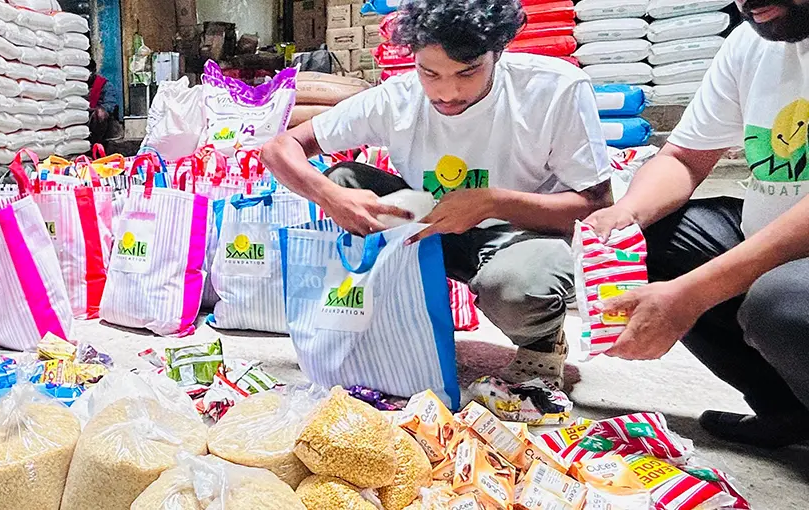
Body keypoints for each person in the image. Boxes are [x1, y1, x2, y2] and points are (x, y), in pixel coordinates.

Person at [260, 0, 612, 386]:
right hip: (430, 228)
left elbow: (596, 204)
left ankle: (542, 343)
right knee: (344, 180)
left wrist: (494, 202)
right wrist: (330, 196)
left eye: (468, 72)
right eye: (430, 73)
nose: (448, 92)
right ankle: (383, 325)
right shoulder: (398, 97)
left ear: (498, 52)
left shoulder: (553, 89)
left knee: (516, 286)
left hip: (523, 233)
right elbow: (280, 149)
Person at [583, 0, 809, 448]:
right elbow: (685, 157)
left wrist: (692, 294)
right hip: (772, 241)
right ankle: (788, 411)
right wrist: (626, 214)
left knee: (781, 305)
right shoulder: (751, 42)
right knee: (652, 241)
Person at [87, 62, 119, 144]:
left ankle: (96, 142)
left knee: (100, 113)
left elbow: (110, 105)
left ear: (93, 71)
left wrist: (93, 109)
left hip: (97, 120)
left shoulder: (105, 85)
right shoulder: (76, 85)